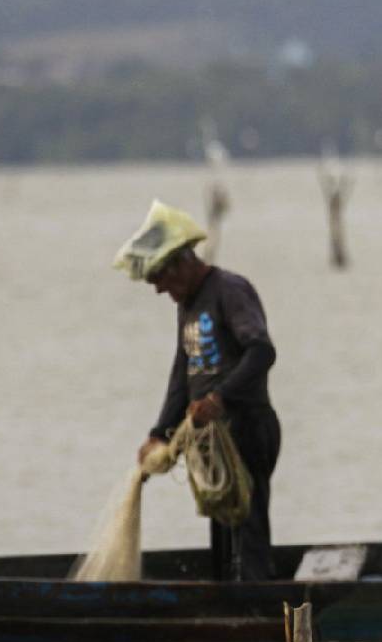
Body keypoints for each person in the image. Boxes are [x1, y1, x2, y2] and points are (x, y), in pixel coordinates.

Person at [113, 199, 282, 581]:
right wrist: (159, 433)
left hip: (248, 426)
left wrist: (219, 399)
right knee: (221, 524)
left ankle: (256, 608)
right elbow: (182, 373)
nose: (160, 290)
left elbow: (261, 352)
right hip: (209, 436)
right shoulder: (187, 303)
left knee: (248, 519)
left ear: (181, 264)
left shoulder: (229, 291)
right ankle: (226, 600)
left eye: (162, 279)